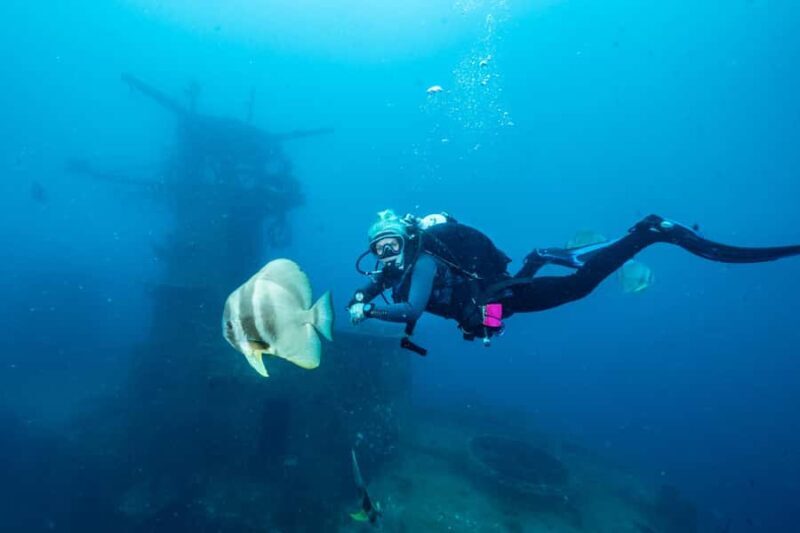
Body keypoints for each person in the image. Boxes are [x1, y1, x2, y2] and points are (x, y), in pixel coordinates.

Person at [347, 210, 800, 354]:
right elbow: (378, 282)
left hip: (495, 298)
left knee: (579, 287)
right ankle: (539, 257)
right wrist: (361, 294)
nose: (387, 255)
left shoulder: (422, 262)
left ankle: (649, 232)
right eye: (381, 248)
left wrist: (367, 311)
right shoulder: (396, 265)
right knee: (530, 285)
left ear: (407, 239)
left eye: (392, 245)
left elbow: (408, 310)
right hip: (489, 297)